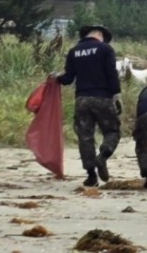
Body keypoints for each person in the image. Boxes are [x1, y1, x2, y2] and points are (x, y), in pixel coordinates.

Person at [56, 24, 121, 187]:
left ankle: (91, 176)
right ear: (99, 34)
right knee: (112, 131)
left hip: (82, 100)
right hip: (103, 98)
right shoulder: (106, 49)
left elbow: (68, 79)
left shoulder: (74, 51)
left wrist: (56, 77)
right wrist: (117, 94)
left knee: (85, 137)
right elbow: (111, 73)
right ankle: (102, 157)